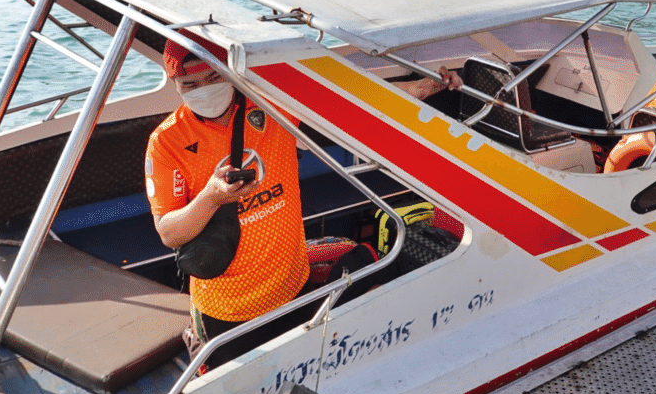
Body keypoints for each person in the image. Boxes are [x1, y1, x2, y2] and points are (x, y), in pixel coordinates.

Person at [145, 41, 460, 365]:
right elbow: (169, 233)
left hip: (292, 288)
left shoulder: (271, 104)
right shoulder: (167, 142)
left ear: (229, 72)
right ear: (176, 86)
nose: (205, 90)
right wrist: (211, 198)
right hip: (226, 309)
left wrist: (421, 87)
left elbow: (353, 101)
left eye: (214, 77)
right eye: (191, 85)